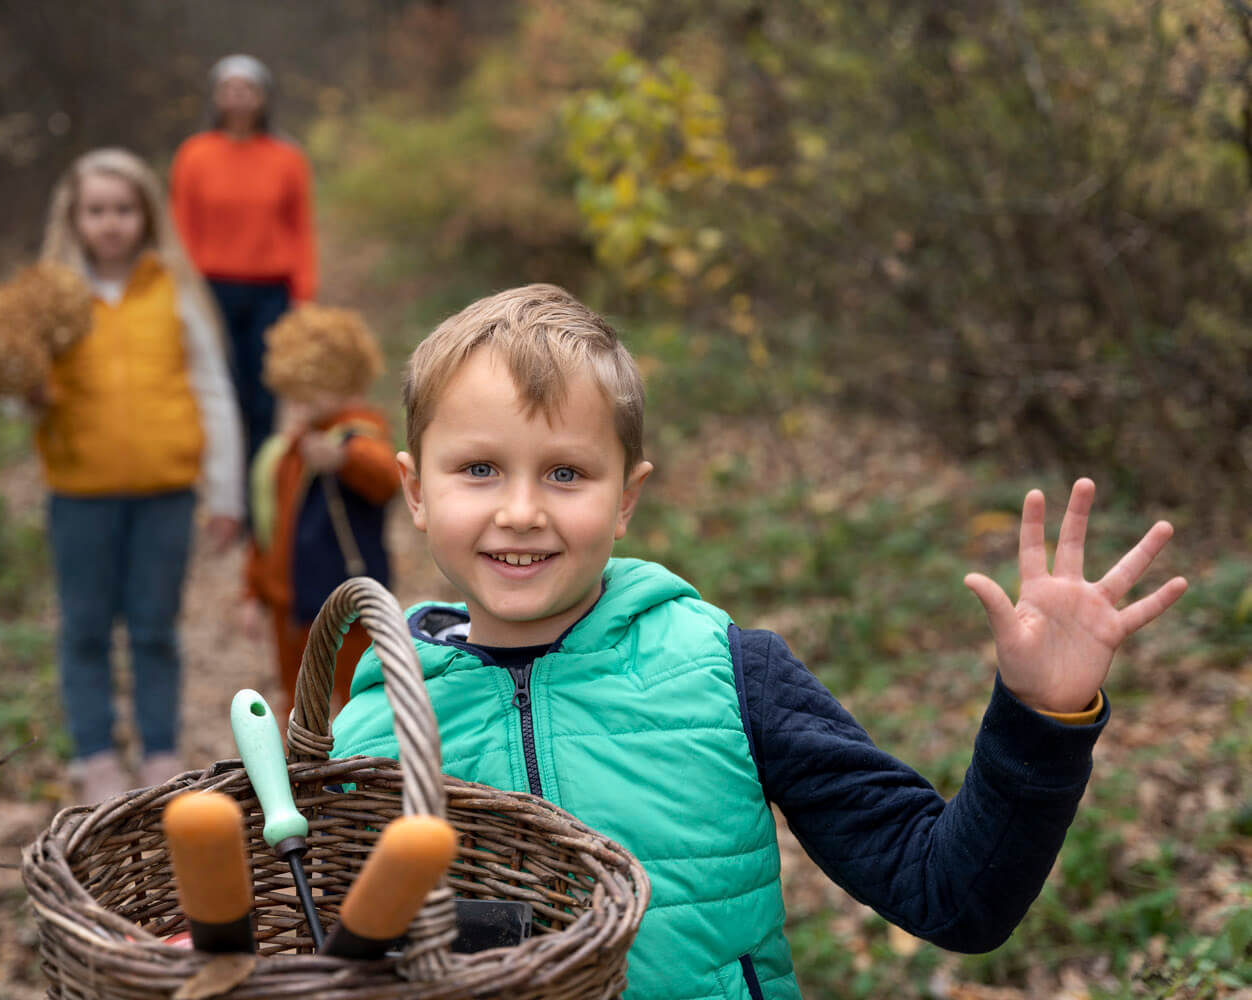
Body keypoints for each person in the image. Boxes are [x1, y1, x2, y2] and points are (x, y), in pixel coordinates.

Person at [330, 284, 1189, 1000]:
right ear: (413, 489)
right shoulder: (375, 725)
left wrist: (1041, 715)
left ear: (627, 498)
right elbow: (331, 947)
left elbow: (954, 896)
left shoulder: (729, 676)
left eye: (566, 472)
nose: (521, 510)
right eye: (479, 469)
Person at [35, 148, 243, 804]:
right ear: (74, 218)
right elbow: (20, 384)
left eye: (124, 209)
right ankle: (95, 753)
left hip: (165, 494)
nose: (111, 223)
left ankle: (159, 750)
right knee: (86, 626)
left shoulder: (174, 293)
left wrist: (227, 491)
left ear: (147, 216)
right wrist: (27, 393)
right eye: (96, 210)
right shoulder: (54, 300)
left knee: (155, 626)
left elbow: (212, 389)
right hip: (80, 493)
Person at [171, 54, 316, 523]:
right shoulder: (194, 154)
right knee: (218, 392)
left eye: (246, 88)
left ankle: (259, 505)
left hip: (270, 290)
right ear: (216, 96)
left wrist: (303, 289)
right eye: (228, 88)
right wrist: (183, 290)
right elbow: (182, 227)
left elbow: (300, 228)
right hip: (212, 288)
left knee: (262, 396)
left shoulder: (287, 158)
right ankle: (222, 499)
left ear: (262, 97)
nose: (237, 97)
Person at [238, 304, 400, 723]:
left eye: (308, 391)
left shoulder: (358, 435)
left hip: (344, 601)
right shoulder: (292, 447)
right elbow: (270, 524)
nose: (297, 403)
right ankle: (298, 772)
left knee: (353, 696)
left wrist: (343, 458)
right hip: (288, 602)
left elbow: (386, 479)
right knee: (295, 699)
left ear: (342, 381)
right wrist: (254, 591)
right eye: (292, 393)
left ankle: (355, 772)